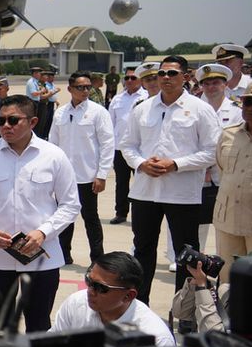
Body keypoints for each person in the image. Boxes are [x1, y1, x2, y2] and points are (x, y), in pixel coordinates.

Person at [0, 94, 80, 332]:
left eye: (13, 120)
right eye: (0, 120)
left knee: (38, 323)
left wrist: (44, 232)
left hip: (41, 257)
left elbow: (70, 204)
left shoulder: (53, 156)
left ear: (32, 122)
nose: (5, 126)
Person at [120, 56, 221, 303]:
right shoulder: (143, 108)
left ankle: (184, 309)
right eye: (161, 73)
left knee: (187, 255)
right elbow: (127, 145)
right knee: (142, 251)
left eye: (172, 74)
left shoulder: (200, 110)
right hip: (145, 192)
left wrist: (176, 164)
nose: (165, 78)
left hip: (182, 194)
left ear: (186, 77)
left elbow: (211, 151)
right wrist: (141, 163)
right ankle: (139, 306)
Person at [48, 72, 114, 264]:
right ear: (70, 89)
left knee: (91, 218)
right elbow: (53, 144)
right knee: (63, 218)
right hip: (64, 177)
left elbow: (107, 144)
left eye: (88, 87)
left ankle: (97, 258)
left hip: (88, 176)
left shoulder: (98, 112)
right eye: (80, 87)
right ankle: (63, 254)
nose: (85, 91)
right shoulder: (60, 113)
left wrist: (102, 175)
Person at [213, 78, 252, 281]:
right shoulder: (229, 134)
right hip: (227, 220)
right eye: (247, 102)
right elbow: (223, 171)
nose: (251, 108)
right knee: (227, 280)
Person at [51, 253, 175, 347]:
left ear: (128, 296)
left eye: (101, 287)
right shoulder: (76, 303)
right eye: (89, 281)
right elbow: (52, 345)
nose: (90, 290)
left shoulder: (155, 338)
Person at [194, 64, 243, 255]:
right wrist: (203, 166)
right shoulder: (196, 108)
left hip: (228, 172)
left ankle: (225, 259)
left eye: (216, 83)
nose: (211, 87)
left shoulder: (237, 110)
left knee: (226, 218)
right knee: (198, 219)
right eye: (207, 83)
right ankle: (196, 259)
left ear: (225, 84)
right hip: (198, 171)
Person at [107, 66, 148, 224]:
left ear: (140, 80)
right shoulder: (118, 99)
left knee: (141, 182)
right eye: (127, 78)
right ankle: (121, 212)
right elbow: (110, 123)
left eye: (133, 78)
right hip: (120, 147)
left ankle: (141, 214)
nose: (129, 81)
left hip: (139, 148)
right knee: (121, 182)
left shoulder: (146, 97)